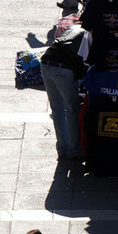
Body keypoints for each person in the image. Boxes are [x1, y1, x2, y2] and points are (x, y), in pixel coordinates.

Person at [39, 23, 86, 161]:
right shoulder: (88, 35)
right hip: (63, 69)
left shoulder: (72, 28)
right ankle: (74, 149)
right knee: (72, 110)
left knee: (57, 109)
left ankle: (62, 148)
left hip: (46, 63)